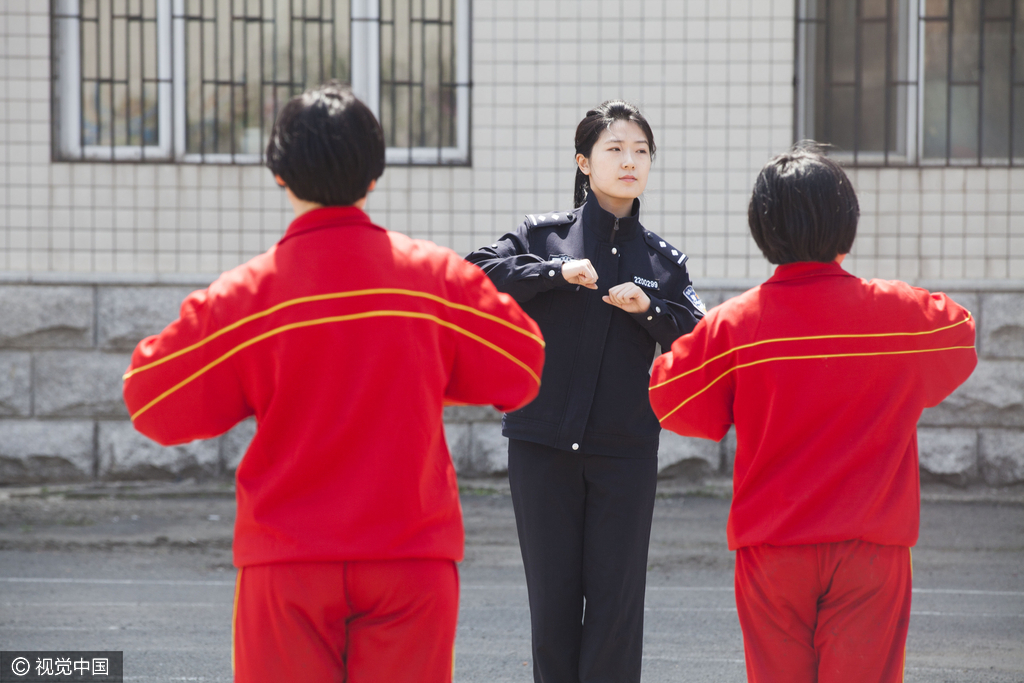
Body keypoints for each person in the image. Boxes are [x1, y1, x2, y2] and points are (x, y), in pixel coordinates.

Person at [121, 82, 545, 683]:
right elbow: (523, 365)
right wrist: (428, 371)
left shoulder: (246, 297)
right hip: (410, 558)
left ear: (278, 173)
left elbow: (150, 398)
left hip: (287, 561)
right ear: (374, 176)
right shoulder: (434, 280)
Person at [649, 142, 977, 683]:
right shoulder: (898, 315)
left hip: (772, 549)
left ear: (763, 228)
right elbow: (960, 335)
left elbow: (672, 397)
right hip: (872, 546)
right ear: (847, 222)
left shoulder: (735, 326)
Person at [466, 100, 706, 683]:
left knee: (616, 612)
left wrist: (650, 310)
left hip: (623, 454)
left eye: (641, 151)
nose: (630, 161)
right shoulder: (541, 237)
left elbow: (701, 335)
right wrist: (553, 274)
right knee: (551, 611)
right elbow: (474, 274)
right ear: (584, 161)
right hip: (541, 447)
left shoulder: (663, 262)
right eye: (615, 149)